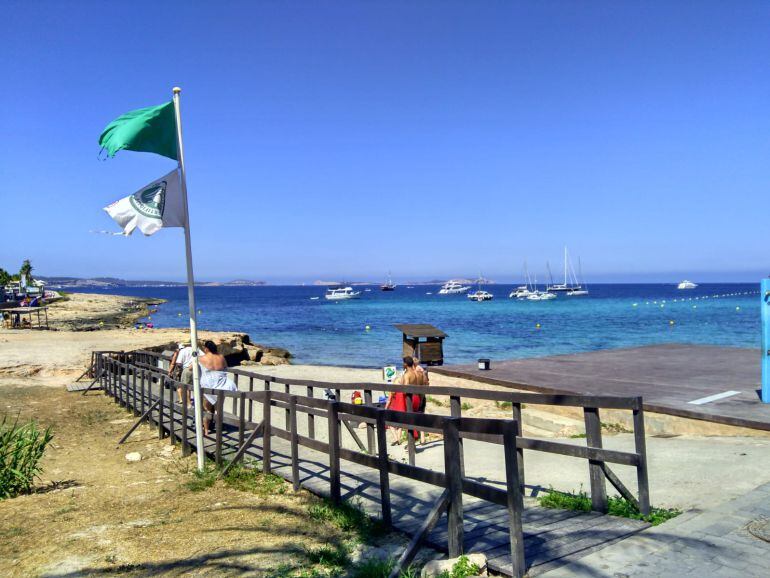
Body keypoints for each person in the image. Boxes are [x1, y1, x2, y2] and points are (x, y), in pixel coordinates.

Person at [198, 340, 237, 435]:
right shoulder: (221, 357)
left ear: (206, 349)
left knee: (207, 409)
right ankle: (219, 429)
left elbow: (191, 368)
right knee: (218, 409)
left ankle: (206, 431)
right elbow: (226, 367)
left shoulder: (201, 358)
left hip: (207, 386)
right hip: (221, 385)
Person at [386, 356, 421, 444]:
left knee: (406, 420)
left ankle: (411, 442)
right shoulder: (416, 373)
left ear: (405, 364)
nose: (403, 364)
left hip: (409, 398)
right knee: (413, 419)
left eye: (403, 363)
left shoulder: (407, 374)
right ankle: (412, 443)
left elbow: (405, 390)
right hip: (417, 397)